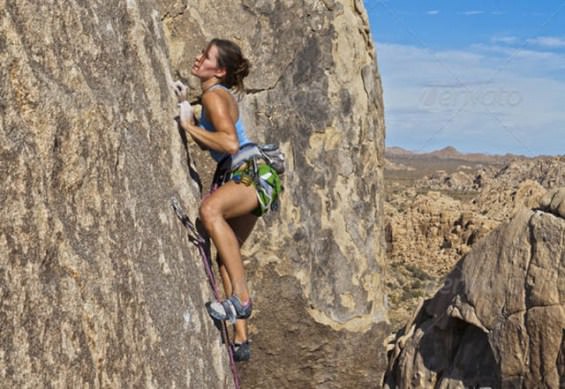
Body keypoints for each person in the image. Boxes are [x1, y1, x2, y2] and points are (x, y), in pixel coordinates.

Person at [173, 38, 282, 362]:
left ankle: (241, 302)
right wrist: (190, 112)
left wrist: (187, 127)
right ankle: (241, 337)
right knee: (226, 253)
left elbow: (229, 143)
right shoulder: (211, 98)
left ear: (219, 70)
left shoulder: (214, 95)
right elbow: (218, 136)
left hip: (246, 171)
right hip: (253, 176)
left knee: (210, 210)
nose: (198, 57)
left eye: (205, 57)